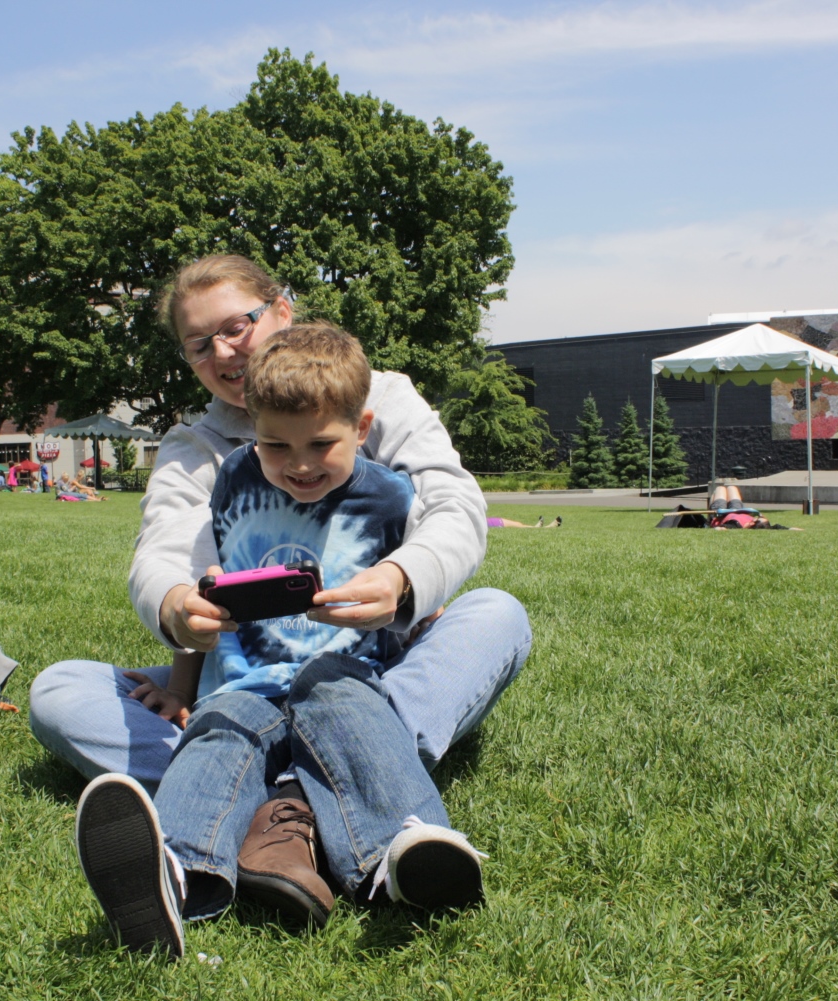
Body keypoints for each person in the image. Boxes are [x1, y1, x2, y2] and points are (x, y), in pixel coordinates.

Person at [28, 256, 531, 946]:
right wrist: (176, 605)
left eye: (237, 325)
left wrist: (402, 581)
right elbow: (164, 554)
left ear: (283, 311)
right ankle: (318, 801)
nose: (223, 352)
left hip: (362, 668)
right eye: (199, 343)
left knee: (496, 614)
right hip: (242, 679)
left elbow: (454, 504)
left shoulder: (377, 396)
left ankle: (268, 800)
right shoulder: (196, 446)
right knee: (59, 688)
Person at [488, 515, 561, 528]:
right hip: (486, 523)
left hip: (486, 520)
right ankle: (549, 527)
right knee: (519, 526)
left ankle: (535, 527)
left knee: (518, 524)